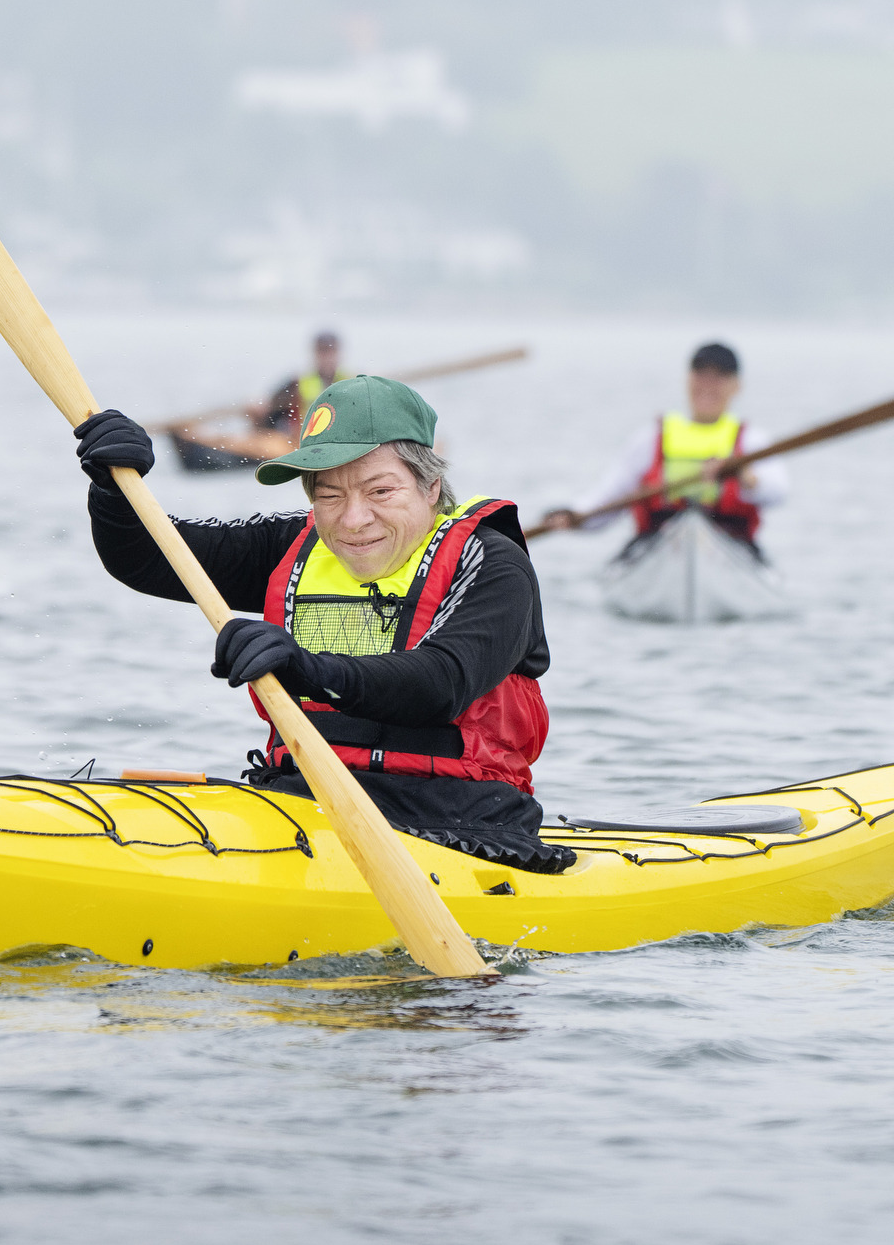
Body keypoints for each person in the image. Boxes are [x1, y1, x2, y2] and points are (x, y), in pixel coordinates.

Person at [74, 375, 573, 873]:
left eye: (380, 490)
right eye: (330, 495)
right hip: (301, 806)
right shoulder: (297, 544)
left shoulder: (492, 563)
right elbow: (146, 557)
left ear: (431, 486)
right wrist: (114, 486)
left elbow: (441, 683)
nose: (354, 520)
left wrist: (308, 670)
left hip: (459, 821)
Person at [540, 341, 786, 550]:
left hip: (730, 543)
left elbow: (778, 493)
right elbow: (608, 497)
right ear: (688, 379)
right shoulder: (650, 438)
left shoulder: (752, 440)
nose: (708, 385)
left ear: (736, 386)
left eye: (719, 376)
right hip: (657, 542)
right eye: (701, 374)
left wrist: (744, 476)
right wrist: (572, 515)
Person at [170, 330, 347, 465]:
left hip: (335, 446)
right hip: (298, 444)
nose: (327, 358)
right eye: (322, 352)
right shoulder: (296, 383)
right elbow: (268, 416)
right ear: (314, 353)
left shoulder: (351, 382)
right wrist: (258, 411)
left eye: (330, 352)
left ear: (338, 353)